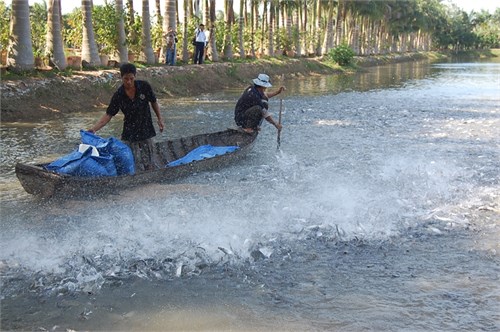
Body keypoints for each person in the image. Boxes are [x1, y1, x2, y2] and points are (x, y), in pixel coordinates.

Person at [88, 63, 165, 171]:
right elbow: (108, 115)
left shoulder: (144, 86)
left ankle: (150, 175)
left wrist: (160, 119)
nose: (128, 82)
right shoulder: (119, 95)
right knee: (132, 160)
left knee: (149, 158)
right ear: (121, 78)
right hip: (130, 131)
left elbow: (154, 102)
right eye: (125, 79)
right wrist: (93, 129)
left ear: (135, 77)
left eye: (131, 79)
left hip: (145, 128)